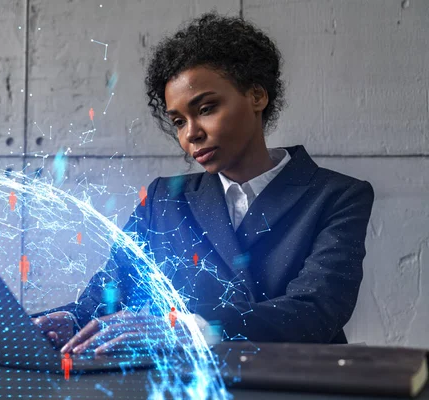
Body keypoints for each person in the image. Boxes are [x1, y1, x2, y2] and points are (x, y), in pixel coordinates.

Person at [32, 11, 374, 356]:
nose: (190, 134)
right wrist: (70, 323)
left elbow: (315, 310)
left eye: (207, 108)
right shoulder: (164, 198)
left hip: (295, 385)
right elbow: (105, 297)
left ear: (257, 96)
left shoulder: (337, 196)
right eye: (178, 121)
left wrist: (193, 328)